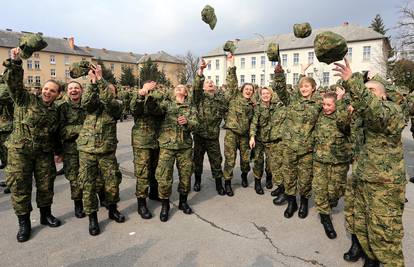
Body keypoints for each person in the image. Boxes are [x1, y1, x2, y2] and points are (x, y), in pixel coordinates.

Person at [334, 58, 406, 267]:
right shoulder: (360, 116)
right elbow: (342, 125)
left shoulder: (392, 110)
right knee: (362, 226)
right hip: (360, 178)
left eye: (372, 90)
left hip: (383, 186)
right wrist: (344, 103)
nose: (368, 93)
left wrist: (353, 82)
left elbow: (376, 112)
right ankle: (370, 258)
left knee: (385, 238)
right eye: (366, 91)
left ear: (384, 94)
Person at [3, 47, 63, 242]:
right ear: (41, 90)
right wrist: (15, 61)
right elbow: (13, 83)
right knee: (20, 187)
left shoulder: (55, 112)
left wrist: (58, 152)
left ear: (57, 95)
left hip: (44, 153)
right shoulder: (24, 98)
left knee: (46, 186)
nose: (48, 92)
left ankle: (46, 215)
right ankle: (24, 223)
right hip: (20, 152)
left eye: (52, 91)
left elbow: (55, 134)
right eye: (46, 89)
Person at [77, 66, 125, 236]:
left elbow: (110, 102)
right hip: (87, 150)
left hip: (106, 150)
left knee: (112, 182)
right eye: (104, 88)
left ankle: (112, 210)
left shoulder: (117, 105)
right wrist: (92, 83)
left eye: (110, 89)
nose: (106, 90)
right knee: (88, 185)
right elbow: (85, 103)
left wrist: (101, 80)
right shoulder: (92, 104)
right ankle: (92, 218)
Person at [273, 63, 321, 219]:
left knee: (306, 178)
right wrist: (279, 75)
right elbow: (281, 91)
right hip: (290, 147)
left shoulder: (319, 104)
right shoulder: (293, 101)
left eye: (307, 86)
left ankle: (304, 203)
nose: (304, 88)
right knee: (289, 176)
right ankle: (291, 202)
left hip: (307, 149)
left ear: (313, 88)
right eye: (302, 86)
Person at [154, 84, 198, 222]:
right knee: (164, 177)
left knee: (185, 175)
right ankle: (165, 205)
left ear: (186, 93)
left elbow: (196, 124)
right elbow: (155, 110)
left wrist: (187, 122)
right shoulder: (166, 105)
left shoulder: (190, 107)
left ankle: (183, 202)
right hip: (167, 146)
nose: (179, 88)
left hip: (184, 147)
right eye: (177, 87)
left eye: (182, 87)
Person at [312, 89, 351, 239]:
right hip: (320, 160)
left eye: (329, 105)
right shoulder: (319, 115)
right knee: (320, 188)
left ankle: (330, 205)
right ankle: (325, 216)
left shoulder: (342, 116)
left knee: (335, 191)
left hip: (338, 161)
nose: (326, 107)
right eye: (324, 104)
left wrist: (341, 100)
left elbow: (345, 125)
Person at [192, 58, 227, 195]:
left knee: (216, 160)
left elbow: (227, 109)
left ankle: (219, 184)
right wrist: (201, 71)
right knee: (198, 160)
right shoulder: (199, 98)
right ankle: (197, 181)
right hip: (199, 135)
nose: (210, 83)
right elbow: (196, 87)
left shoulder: (220, 99)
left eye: (212, 82)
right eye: (207, 82)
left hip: (213, 136)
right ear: (203, 87)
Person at [222, 54, 255, 196]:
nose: (248, 91)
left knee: (245, 160)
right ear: (242, 90)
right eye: (246, 89)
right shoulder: (234, 97)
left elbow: (254, 121)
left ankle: (244, 176)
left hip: (245, 136)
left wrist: (252, 136)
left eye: (251, 90)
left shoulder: (253, 105)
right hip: (231, 134)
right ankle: (228, 183)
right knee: (230, 159)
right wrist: (231, 64)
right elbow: (232, 82)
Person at [130, 80, 163, 219]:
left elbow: (160, 111)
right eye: (149, 84)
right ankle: (141, 203)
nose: (151, 85)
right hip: (141, 141)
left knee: (156, 169)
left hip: (158, 139)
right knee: (143, 172)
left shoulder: (160, 96)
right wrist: (141, 95)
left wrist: (151, 96)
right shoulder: (137, 95)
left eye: (153, 84)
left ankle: (154, 193)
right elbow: (134, 110)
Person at [58, 81, 87, 218]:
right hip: (71, 149)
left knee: (93, 174)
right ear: (67, 91)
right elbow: (60, 130)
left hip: (89, 147)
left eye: (76, 88)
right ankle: (78, 204)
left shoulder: (88, 105)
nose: (73, 90)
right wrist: (81, 129)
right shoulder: (62, 108)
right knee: (74, 178)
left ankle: (97, 198)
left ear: (81, 90)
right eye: (70, 88)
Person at [249, 86, 285, 195]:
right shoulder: (258, 107)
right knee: (258, 162)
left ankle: (269, 178)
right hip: (260, 140)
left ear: (271, 94)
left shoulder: (278, 106)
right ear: (260, 95)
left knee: (271, 164)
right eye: (263, 93)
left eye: (267, 93)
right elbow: (254, 123)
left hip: (272, 141)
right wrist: (252, 137)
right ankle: (257, 182)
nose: (265, 95)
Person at [0, 78, 14, 194]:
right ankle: (9, 180)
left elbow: (3, 94)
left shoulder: (5, 88)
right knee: (4, 159)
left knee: (9, 158)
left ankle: (12, 182)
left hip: (6, 130)